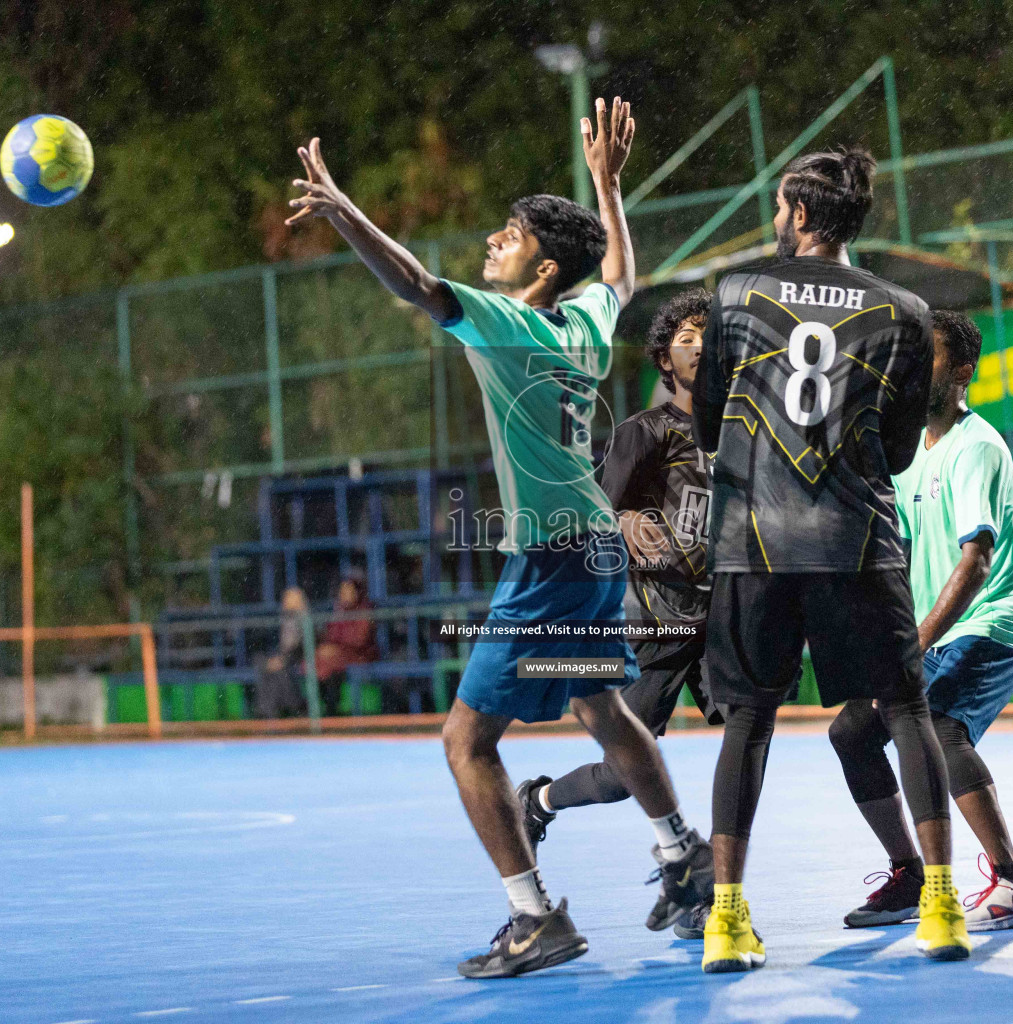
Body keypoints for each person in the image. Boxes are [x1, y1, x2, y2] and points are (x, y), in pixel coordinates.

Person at [287, 96, 713, 980]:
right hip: (596, 552)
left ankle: (533, 917)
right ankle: (684, 856)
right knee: (602, 705)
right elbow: (623, 277)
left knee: (465, 740)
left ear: (544, 265)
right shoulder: (586, 326)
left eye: (509, 234)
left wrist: (346, 212)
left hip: (552, 561)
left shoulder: (513, 325)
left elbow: (415, 284)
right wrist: (608, 184)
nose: (493, 241)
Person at [692, 146, 970, 972]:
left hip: (755, 547)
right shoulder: (908, 312)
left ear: (803, 215)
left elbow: (710, 427)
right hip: (857, 543)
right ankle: (943, 908)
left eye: (781, 206)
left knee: (749, 721)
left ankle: (727, 921)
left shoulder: (736, 296)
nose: (775, 220)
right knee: (905, 711)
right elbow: (898, 451)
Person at [830, 309, 1013, 932]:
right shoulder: (905, 454)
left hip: (1000, 618)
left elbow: (976, 563)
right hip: (938, 629)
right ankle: (910, 876)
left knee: (942, 727)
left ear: (962, 371)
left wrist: (912, 644)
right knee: (852, 733)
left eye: (924, 355)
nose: (907, 368)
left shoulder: (975, 447)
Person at [515, 288, 721, 941]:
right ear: (664, 355)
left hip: (723, 621)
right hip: (656, 622)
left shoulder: (745, 432)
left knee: (750, 735)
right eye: (691, 335)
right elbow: (592, 512)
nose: (706, 345)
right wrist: (625, 517)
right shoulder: (645, 432)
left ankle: (698, 885)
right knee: (623, 775)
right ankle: (538, 801)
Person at [312, 576, 378, 714]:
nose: (345, 595)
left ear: (357, 593)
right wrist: (329, 647)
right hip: (339, 655)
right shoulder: (338, 612)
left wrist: (336, 649)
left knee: (327, 662)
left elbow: (359, 641)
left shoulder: (364, 612)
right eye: (342, 592)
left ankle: (331, 709)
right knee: (318, 660)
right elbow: (331, 635)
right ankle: (322, 706)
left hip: (360, 655)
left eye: (348, 591)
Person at [254, 586, 314, 718]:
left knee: (280, 671)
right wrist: (276, 658)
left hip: (297, 657)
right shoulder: (280, 619)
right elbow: (271, 642)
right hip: (279, 655)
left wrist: (284, 658)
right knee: (263, 665)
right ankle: (270, 712)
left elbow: (303, 646)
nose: (285, 602)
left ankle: (294, 706)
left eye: (289, 599)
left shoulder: (307, 619)